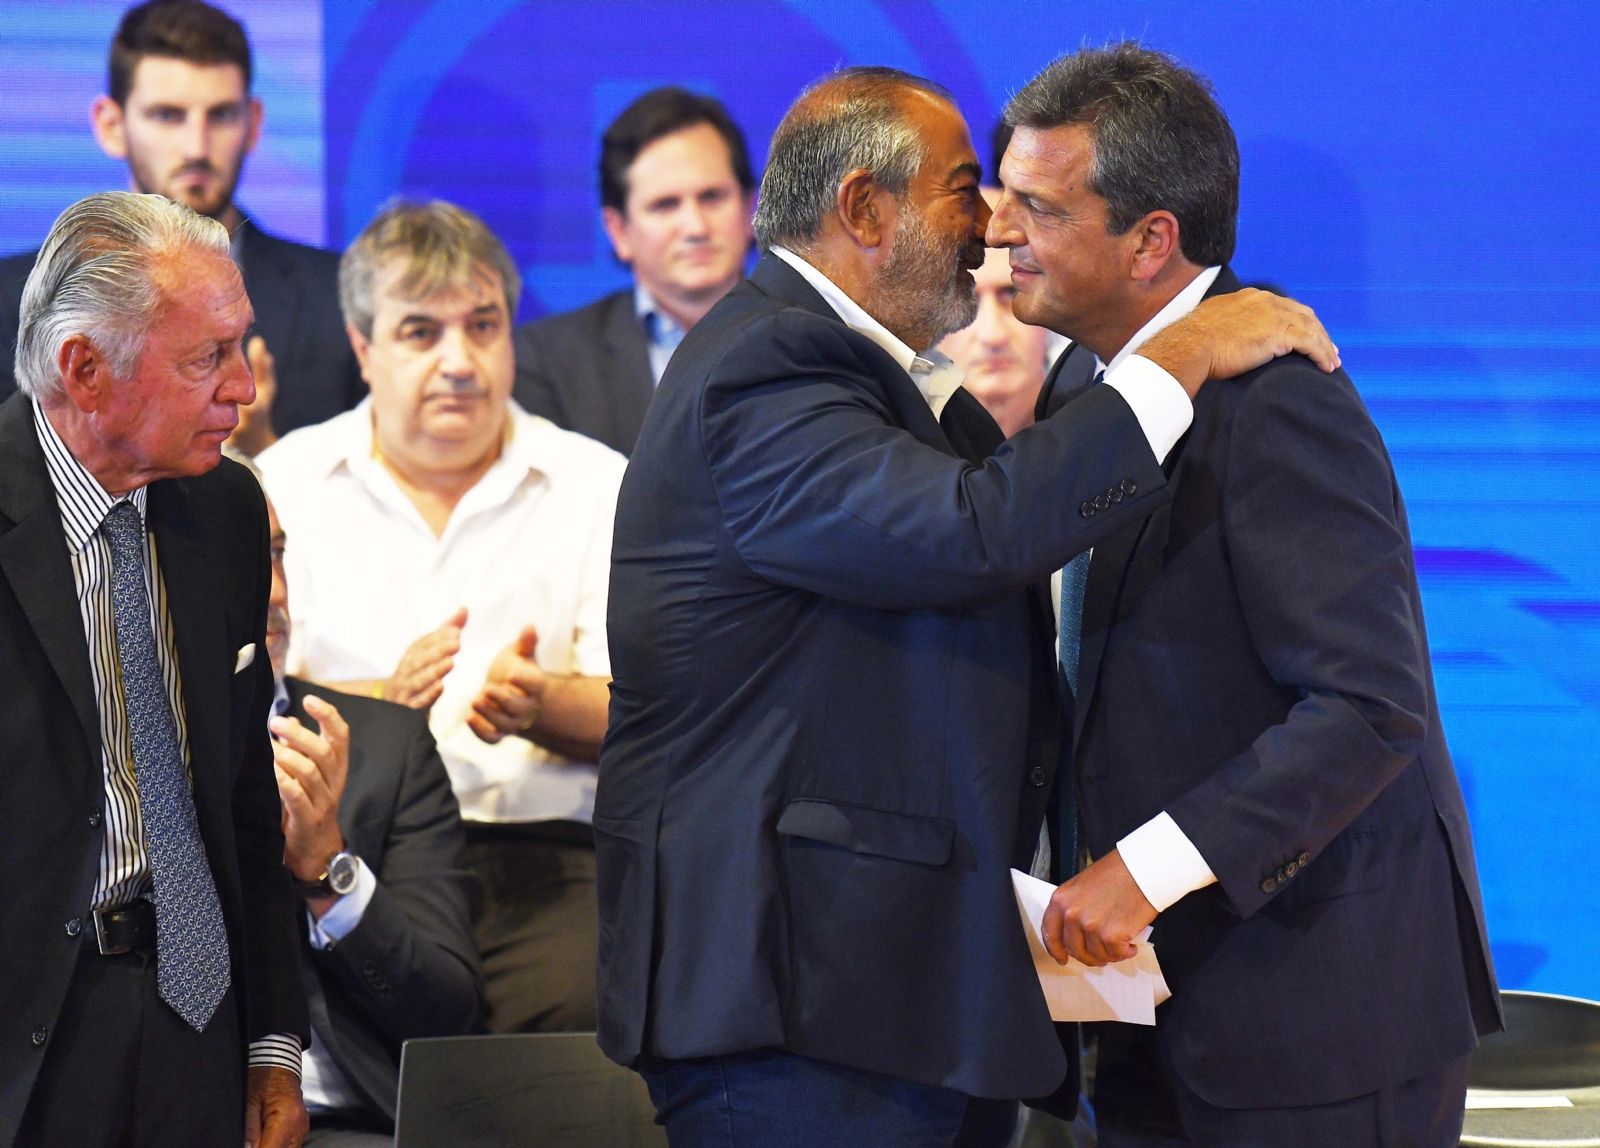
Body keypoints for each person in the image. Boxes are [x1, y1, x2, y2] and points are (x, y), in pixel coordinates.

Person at [595, 66, 1339, 1147]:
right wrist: (1177, 354)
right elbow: (970, 532)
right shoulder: (765, 367)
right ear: (864, 208)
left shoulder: (873, 377)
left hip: (896, 1002)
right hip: (795, 1011)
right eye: (960, 190)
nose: (989, 227)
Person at [993, 44, 1502, 1146]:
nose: (998, 231)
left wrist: (1144, 869)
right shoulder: (1081, 383)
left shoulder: (1278, 399)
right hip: (1149, 1011)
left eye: (1038, 208)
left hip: (1322, 1023)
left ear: (1151, 242)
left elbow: (1367, 705)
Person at [256, 200, 627, 1036]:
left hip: (537, 852)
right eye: (421, 333)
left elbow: (657, 712)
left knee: (572, 1025)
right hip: (346, 845)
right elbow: (234, 696)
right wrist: (377, 711)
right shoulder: (283, 484)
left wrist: (543, 704)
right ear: (362, 348)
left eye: (483, 326)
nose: (459, 362)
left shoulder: (598, 485)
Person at [0, 191, 307, 1146]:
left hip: (195, 1024)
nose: (243, 389)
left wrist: (273, 1043)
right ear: (85, 371)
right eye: (207, 357)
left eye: (240, 346)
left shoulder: (228, 512)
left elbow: (247, 804)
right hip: (27, 1041)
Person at [0, 0, 363, 453]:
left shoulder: (339, 297)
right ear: (112, 126)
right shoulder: (11, 302)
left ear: (253, 124)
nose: (197, 147)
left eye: (221, 115)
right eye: (167, 115)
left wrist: (266, 455)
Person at [246, 470, 483, 1144]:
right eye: (244, 557)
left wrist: (328, 869)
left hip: (345, 1121)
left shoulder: (385, 748)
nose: (277, 592)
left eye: (277, 554)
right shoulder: (115, 745)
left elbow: (447, 1015)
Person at [512, 87, 756, 455]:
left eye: (711, 197)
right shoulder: (546, 363)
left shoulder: (823, 338)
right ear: (619, 231)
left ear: (751, 207)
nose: (695, 227)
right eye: (665, 205)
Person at [936, 187, 1057, 436]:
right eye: (966, 299)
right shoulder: (889, 443)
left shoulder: (1104, 435)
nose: (992, 336)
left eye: (1012, 293)